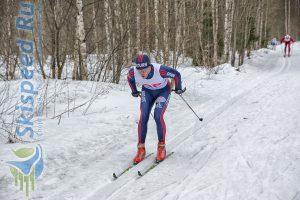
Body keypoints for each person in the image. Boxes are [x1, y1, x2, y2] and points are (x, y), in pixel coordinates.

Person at [127, 54, 184, 164]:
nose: (142, 72)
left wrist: (178, 88)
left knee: (158, 115)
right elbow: (130, 79)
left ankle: (161, 147)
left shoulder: (161, 70)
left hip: (163, 91)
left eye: (145, 69)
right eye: (139, 70)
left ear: (150, 67)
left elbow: (176, 74)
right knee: (143, 116)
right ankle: (141, 149)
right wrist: (134, 90)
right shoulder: (132, 72)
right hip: (147, 92)